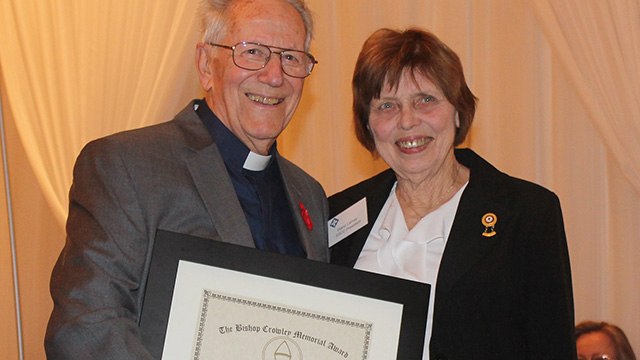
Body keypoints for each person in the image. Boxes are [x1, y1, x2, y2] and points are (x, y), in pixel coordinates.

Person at [45, 0, 328, 358]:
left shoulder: (310, 194)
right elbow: (87, 327)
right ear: (206, 65)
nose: (274, 76)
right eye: (252, 52)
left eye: (291, 57)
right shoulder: (126, 165)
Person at [328, 27, 576, 359]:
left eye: (425, 100)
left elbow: (552, 349)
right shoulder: (336, 214)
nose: (407, 121)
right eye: (387, 106)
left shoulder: (527, 214)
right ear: (368, 125)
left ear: (457, 111)